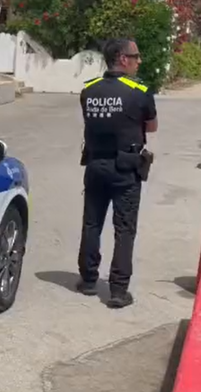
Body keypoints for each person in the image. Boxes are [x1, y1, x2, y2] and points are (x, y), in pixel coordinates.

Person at [77, 37, 158, 309]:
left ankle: (88, 280)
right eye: (136, 56)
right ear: (123, 59)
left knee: (92, 223)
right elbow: (152, 126)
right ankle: (118, 290)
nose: (139, 61)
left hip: (95, 165)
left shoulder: (88, 90)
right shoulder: (139, 90)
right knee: (124, 228)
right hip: (125, 167)